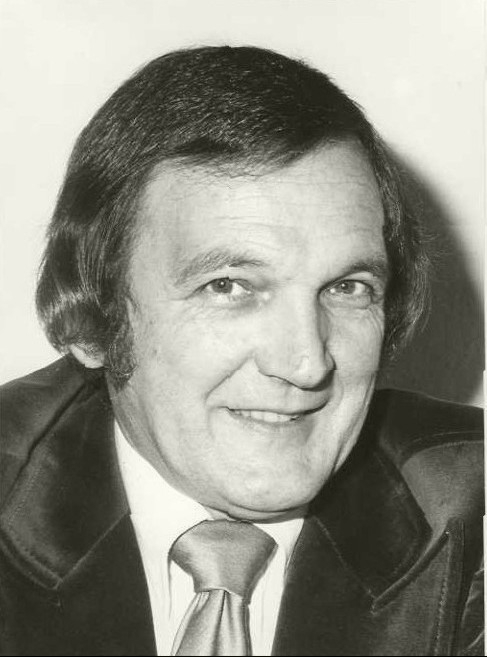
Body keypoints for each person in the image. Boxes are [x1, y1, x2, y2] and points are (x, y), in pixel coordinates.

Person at [0, 46, 482, 657]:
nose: (307, 363)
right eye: (228, 286)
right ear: (92, 322)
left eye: (347, 288)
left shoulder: (471, 517)